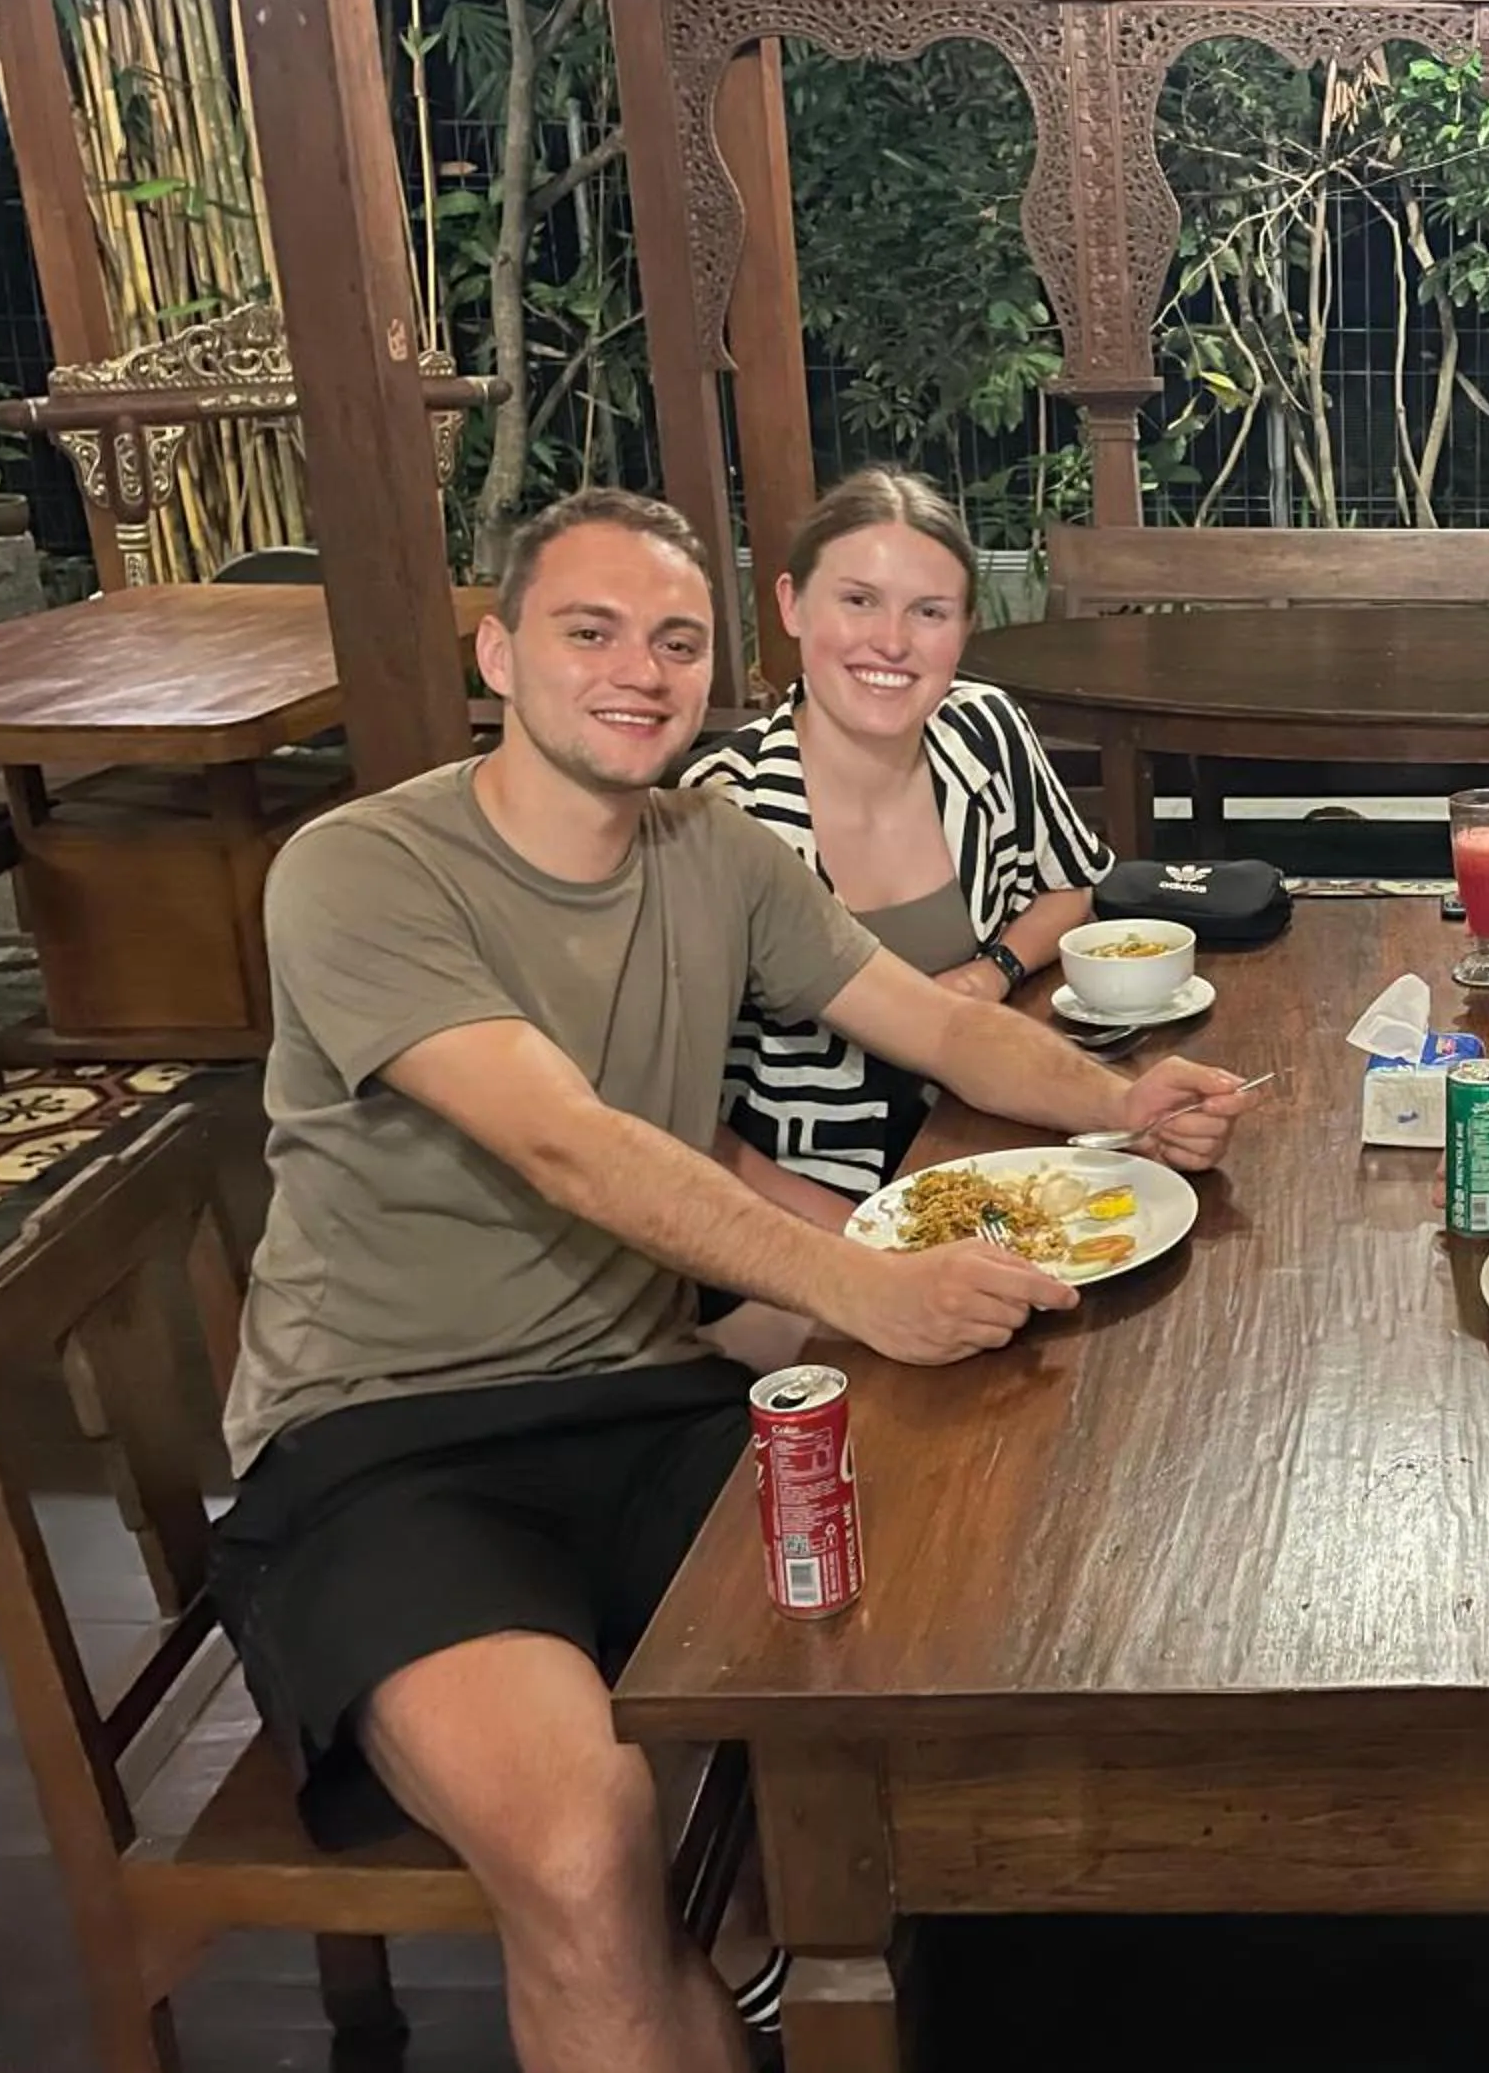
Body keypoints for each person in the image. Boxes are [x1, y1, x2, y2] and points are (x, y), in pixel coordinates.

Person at [206, 489, 1260, 2073]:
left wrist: (1122, 1098)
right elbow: (570, 1144)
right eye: (591, 630)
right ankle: (758, 1970)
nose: (640, 668)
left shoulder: (714, 850)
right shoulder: (363, 867)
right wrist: (855, 1280)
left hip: (666, 1400)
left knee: (1002, 1614)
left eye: (674, 640)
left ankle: (799, 1951)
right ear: (498, 652)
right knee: (583, 1854)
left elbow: (934, 1016)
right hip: (392, 1445)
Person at [687, 468, 1111, 1230]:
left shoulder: (983, 727)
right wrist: (861, 1254)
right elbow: (675, 1115)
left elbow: (1070, 883)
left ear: (966, 627)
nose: (892, 640)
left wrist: (996, 969)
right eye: (858, 601)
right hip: (796, 1207)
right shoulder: (723, 804)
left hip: (997, 1141)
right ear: (789, 604)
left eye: (929, 612)